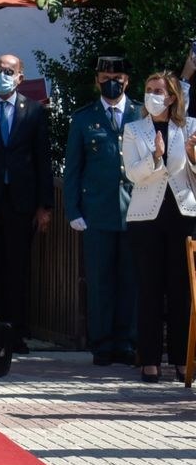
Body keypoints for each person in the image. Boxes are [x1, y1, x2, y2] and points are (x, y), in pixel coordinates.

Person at [63, 55, 139, 367]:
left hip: (136, 211)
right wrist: (73, 211)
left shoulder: (141, 114)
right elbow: (73, 169)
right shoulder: (84, 118)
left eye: (118, 76)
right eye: (106, 74)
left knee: (131, 281)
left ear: (127, 81)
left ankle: (127, 342)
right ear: (96, 80)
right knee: (100, 281)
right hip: (97, 212)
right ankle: (102, 344)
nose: (112, 80)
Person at [121, 72, 196, 382]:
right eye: (148, 90)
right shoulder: (134, 129)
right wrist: (155, 156)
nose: (153, 95)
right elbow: (133, 174)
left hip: (183, 214)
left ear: (172, 97)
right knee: (149, 289)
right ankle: (149, 358)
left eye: (159, 91)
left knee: (182, 290)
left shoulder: (190, 126)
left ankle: (182, 358)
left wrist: (192, 155)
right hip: (145, 218)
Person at [0, 54, 51, 354]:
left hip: (21, 200)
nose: (2, 75)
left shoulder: (33, 111)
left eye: (8, 71)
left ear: (20, 77)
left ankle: (16, 331)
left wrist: (44, 206)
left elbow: (42, 160)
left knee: (18, 268)